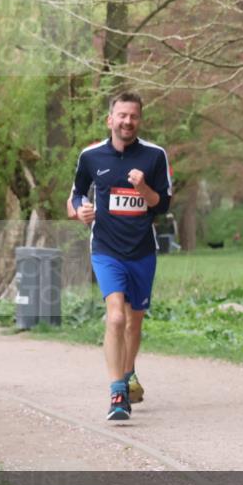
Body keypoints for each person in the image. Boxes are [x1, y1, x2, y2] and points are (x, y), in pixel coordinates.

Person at [70, 92, 171, 421]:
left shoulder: (155, 156)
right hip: (106, 249)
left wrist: (143, 189)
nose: (128, 121)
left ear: (139, 121)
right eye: (122, 115)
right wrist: (79, 213)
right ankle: (117, 393)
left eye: (134, 116)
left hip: (142, 250)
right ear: (110, 119)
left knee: (134, 320)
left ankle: (128, 374)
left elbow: (163, 204)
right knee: (115, 317)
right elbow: (74, 197)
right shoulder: (91, 157)